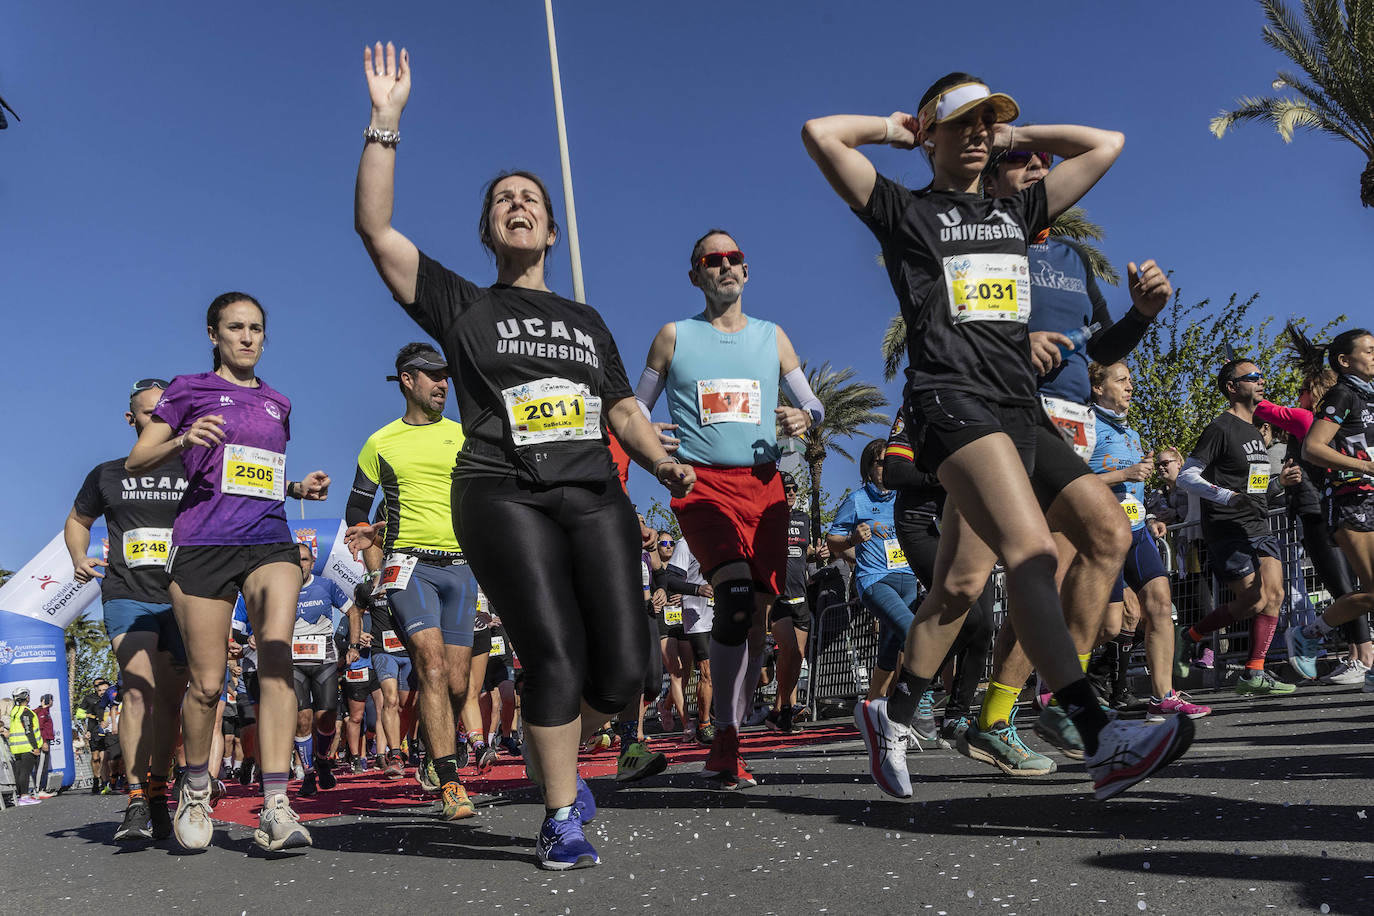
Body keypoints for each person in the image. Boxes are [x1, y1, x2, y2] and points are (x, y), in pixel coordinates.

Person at [802, 72, 1192, 801]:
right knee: (1033, 553)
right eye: (965, 122)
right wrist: (898, 132)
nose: (981, 133)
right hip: (951, 401)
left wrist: (1018, 136)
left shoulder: (1017, 210)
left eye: (991, 123)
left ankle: (892, 714)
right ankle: (1098, 734)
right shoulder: (904, 210)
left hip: (1022, 408)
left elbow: (1107, 144)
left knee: (984, 573)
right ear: (932, 132)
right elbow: (821, 134)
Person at [354, 40, 694, 870]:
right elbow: (376, 228)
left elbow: (619, 405)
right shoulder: (462, 305)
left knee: (620, 672)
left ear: (551, 225)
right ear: (489, 229)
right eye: (503, 199)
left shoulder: (586, 319)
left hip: (592, 491)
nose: (518, 204)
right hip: (500, 491)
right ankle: (558, 815)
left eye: (531, 198)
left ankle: (561, 759)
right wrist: (386, 122)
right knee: (551, 652)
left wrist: (662, 463)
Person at [126, 292, 330, 852]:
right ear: (213, 335)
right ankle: (195, 788)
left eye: (256, 328)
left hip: (268, 540)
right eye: (235, 328)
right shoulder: (187, 389)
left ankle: (276, 804)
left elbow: (250, 473)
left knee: (276, 655)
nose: (247, 337)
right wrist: (181, 438)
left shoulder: (279, 402)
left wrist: (296, 488)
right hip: (202, 546)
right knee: (208, 685)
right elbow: (137, 460)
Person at [636, 228, 824, 789]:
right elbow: (635, 408)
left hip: (765, 488)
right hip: (703, 488)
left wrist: (804, 417)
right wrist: (653, 436)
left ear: (746, 270)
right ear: (695, 274)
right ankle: (724, 736)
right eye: (712, 260)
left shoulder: (773, 337)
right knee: (736, 597)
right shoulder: (674, 336)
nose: (725, 266)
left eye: (733, 258)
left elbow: (809, 398)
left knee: (757, 617)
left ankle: (730, 735)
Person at [343, 342, 480, 820]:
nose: (444, 384)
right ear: (408, 380)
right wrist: (368, 538)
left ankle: (429, 746)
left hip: (461, 567)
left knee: (458, 684)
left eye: (447, 377)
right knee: (433, 666)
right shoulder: (380, 443)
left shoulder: (464, 436)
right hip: (409, 567)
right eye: (433, 376)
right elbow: (356, 509)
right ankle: (450, 781)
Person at [67, 377, 190, 841]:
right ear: (131, 419)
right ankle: (137, 798)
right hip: (126, 593)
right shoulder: (107, 473)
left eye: (168, 413)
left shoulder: (192, 466)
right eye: (150, 413)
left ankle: (159, 789)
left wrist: (296, 488)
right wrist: (79, 556)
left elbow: (242, 496)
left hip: (181, 598)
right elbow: (78, 520)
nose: (160, 420)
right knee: (137, 689)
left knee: (170, 702)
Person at [1086, 362, 1210, 720]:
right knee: (1111, 624)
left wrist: (1152, 517)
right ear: (1098, 388)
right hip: (1101, 534)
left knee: (1159, 605)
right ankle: (1054, 674)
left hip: (1137, 530)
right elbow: (1071, 484)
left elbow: (1135, 491)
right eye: (1121, 380)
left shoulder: (1131, 434)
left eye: (1130, 380)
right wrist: (1124, 473)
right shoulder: (1087, 426)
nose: (1130, 386)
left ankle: (1162, 696)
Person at [1258, 323, 1370, 683]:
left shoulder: (1368, 397)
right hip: (1351, 503)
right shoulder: (1342, 395)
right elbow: (1313, 448)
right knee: (1366, 591)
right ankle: (1309, 634)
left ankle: (1343, 651)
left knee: (1367, 593)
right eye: (1368, 351)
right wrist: (1365, 467)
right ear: (1344, 361)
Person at [1172, 359, 1293, 696]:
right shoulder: (1220, 428)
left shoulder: (1256, 431)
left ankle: (1253, 673)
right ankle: (1189, 636)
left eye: (1261, 375)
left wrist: (1277, 484)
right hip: (1227, 527)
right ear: (1231, 387)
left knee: (1275, 595)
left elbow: (1253, 486)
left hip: (1258, 524)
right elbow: (1186, 475)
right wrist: (1225, 496)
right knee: (1254, 600)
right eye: (1251, 377)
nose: (1261, 380)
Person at [883, 407, 997, 745]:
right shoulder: (918, 409)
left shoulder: (986, 404)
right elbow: (893, 472)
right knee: (969, 615)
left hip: (967, 524)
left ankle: (957, 716)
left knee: (985, 625)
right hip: (921, 523)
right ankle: (914, 692)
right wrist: (948, 476)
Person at [286, 542, 353, 797]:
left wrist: (353, 645)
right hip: (294, 664)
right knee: (302, 720)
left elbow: (352, 611)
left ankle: (323, 758)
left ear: (312, 562)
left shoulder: (326, 585)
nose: (300, 565)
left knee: (326, 720)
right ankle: (309, 773)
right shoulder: (283, 589)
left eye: (304, 560)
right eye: (295, 560)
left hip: (324, 661)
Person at [767, 473, 817, 734]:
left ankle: (781, 711)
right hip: (776, 596)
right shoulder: (767, 518)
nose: (791, 493)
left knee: (797, 657)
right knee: (787, 651)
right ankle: (785, 708)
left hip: (800, 596)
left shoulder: (803, 519)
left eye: (793, 489)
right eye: (785, 489)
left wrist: (817, 554)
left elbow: (803, 553)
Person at [664, 535, 716, 744]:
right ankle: (703, 725)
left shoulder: (727, 538)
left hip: (722, 614)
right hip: (698, 617)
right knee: (707, 671)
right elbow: (670, 579)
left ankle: (716, 716)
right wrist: (697, 589)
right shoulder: (687, 543)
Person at [8, 688, 43, 806]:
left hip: (16, 748)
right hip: (27, 747)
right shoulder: (26, 712)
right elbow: (29, 731)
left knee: (19, 772)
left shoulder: (14, 711)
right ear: (26, 697)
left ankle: (20, 796)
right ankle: (24, 796)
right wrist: (35, 747)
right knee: (25, 772)